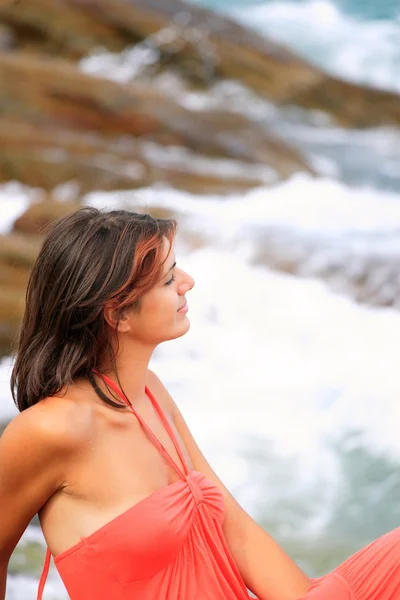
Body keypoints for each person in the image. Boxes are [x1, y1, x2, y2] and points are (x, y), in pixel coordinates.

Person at [0, 207, 398, 600]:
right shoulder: (49, 430)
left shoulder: (151, 393)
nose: (187, 283)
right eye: (169, 278)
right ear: (117, 313)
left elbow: (235, 529)